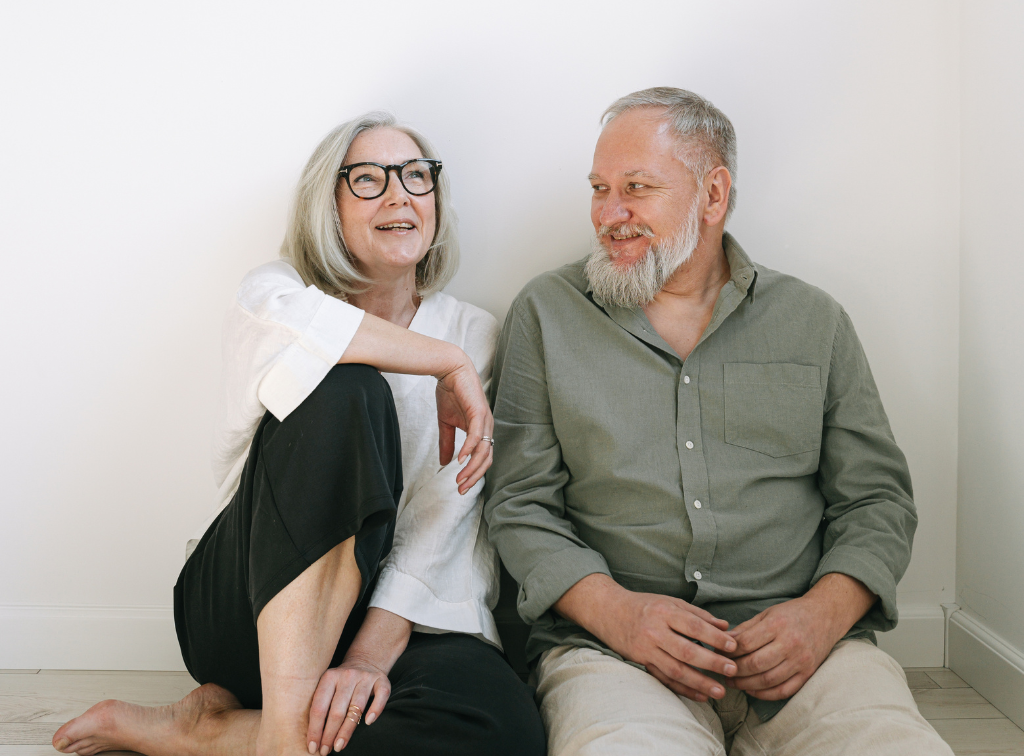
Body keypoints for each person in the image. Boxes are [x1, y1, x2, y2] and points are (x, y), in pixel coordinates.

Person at [52, 112, 545, 756]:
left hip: (391, 618)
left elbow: (442, 515)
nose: (399, 194)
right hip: (249, 603)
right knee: (345, 389)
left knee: (500, 731)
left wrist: (367, 660)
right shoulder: (276, 293)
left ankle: (213, 733)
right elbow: (316, 342)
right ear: (329, 208)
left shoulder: (474, 330)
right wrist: (439, 360)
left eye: (416, 177)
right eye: (368, 179)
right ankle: (286, 738)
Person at [483, 88, 954, 755]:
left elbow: (877, 499)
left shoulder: (814, 320)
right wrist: (619, 615)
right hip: (618, 659)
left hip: (809, 661)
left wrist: (822, 617)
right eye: (599, 188)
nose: (609, 214)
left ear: (712, 195)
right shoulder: (547, 313)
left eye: (637, 188)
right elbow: (520, 504)